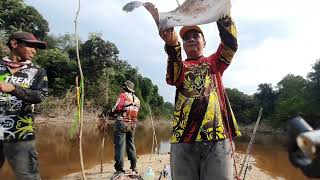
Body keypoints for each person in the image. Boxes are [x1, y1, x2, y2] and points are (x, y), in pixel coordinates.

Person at [159, 13, 241, 180]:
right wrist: (172, 45)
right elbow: (172, 77)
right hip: (183, 138)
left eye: (196, 36)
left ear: (204, 42)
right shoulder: (180, 67)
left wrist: (223, 16)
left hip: (216, 136)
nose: (191, 39)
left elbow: (230, 45)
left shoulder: (214, 62)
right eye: (186, 38)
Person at [0, 32, 48, 180]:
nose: (34, 50)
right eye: (31, 46)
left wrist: (14, 88)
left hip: (21, 133)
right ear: (14, 44)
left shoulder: (37, 71)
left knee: (28, 176)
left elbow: (39, 96)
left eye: (36, 47)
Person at [111, 80, 140, 173]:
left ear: (125, 88)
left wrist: (111, 112)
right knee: (131, 144)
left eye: (123, 87)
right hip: (132, 125)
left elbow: (116, 108)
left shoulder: (123, 96)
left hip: (122, 123)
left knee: (120, 146)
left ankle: (119, 168)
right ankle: (133, 166)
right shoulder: (138, 100)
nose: (122, 88)